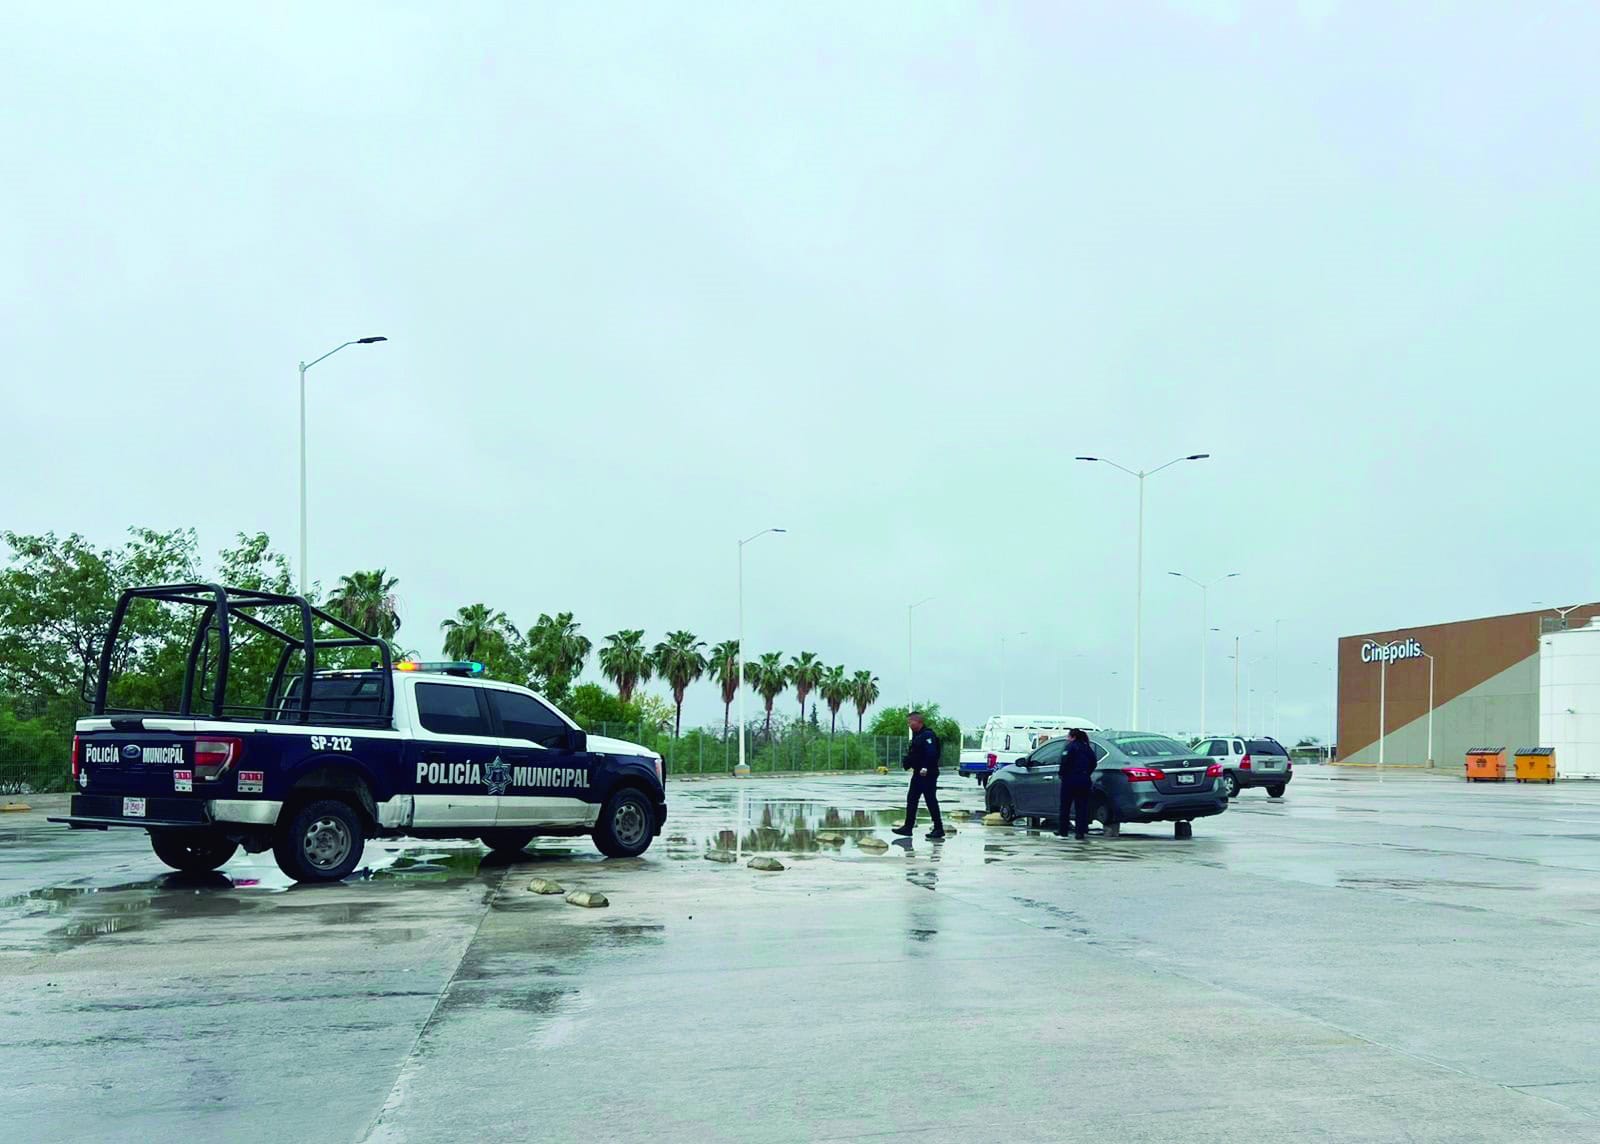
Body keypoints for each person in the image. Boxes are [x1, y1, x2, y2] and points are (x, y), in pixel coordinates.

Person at [894, 711, 945, 840]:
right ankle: (908, 827)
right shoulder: (918, 736)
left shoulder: (928, 735)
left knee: (930, 800)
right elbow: (915, 753)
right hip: (918, 773)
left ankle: (938, 828)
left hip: (927, 773)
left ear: (918, 722)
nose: (909, 724)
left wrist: (925, 767)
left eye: (911, 721)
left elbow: (931, 753)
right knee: (911, 799)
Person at [1057, 728, 1097, 840]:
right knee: (1082, 807)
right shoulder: (1087, 748)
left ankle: (1063, 832)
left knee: (1065, 807)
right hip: (1084, 780)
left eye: (1068, 736)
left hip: (1070, 780)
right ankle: (1080, 833)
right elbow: (1094, 763)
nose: (1067, 738)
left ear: (1073, 737)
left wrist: (1061, 774)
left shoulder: (1070, 747)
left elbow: (1064, 762)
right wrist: (1086, 773)